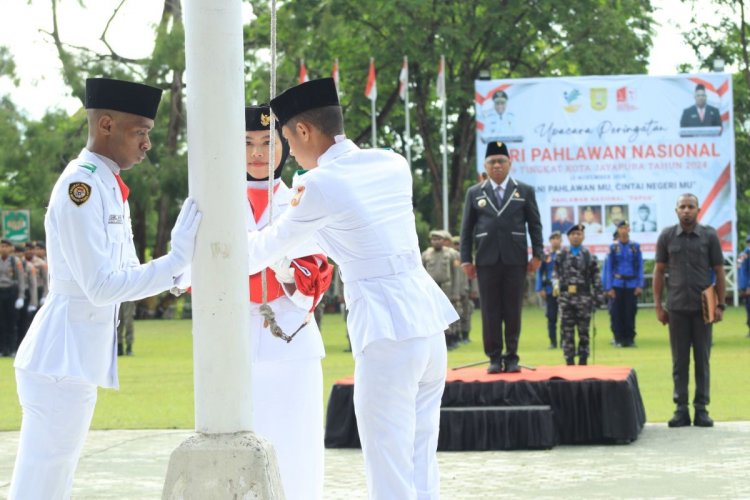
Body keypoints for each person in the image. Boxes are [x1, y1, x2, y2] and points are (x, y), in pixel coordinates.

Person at [246, 78, 456, 500]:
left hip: (386, 330)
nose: (289, 150)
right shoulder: (391, 163)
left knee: (389, 467)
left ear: (303, 131)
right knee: (419, 460)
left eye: (285, 137)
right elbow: (343, 234)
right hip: (428, 327)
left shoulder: (319, 185)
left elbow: (262, 250)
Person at [9, 77, 201, 499]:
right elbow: (100, 286)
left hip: (73, 357)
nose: (148, 144)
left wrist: (178, 276)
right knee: (44, 479)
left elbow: (127, 272)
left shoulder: (108, 184)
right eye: (141, 133)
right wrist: (173, 262)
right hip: (61, 356)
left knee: (52, 476)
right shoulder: (82, 187)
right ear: (107, 125)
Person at [243, 104, 331, 500]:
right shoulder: (211, 201)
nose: (257, 153)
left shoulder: (303, 195)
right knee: (239, 449)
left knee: (299, 449)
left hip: (292, 341)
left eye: (267, 142)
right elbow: (197, 274)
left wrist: (268, 273)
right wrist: (275, 268)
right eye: (246, 143)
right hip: (233, 345)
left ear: (283, 145)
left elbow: (316, 274)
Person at [460, 140, 543, 374]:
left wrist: (538, 254)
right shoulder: (475, 193)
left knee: (513, 309)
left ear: (510, 164)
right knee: (490, 310)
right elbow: (466, 229)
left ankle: (512, 356)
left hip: (515, 260)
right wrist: (466, 259)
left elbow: (535, 225)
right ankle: (494, 358)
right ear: (485, 165)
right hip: (486, 261)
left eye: (501, 161)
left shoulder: (524, 190)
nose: (497, 165)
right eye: (492, 162)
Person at [653, 193, 725, 428]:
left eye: (690, 206)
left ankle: (702, 409)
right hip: (676, 308)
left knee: (702, 360)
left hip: (704, 309)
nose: (686, 210)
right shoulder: (666, 236)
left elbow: (719, 271)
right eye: (682, 206)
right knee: (679, 361)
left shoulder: (709, 236)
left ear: (698, 210)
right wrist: (658, 305)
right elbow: (658, 271)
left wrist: (721, 304)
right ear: (676, 211)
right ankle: (680, 409)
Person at [554, 224, 603, 365]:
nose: (576, 236)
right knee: (566, 331)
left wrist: (599, 297)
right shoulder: (561, 256)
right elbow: (555, 274)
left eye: (579, 234)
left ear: (583, 237)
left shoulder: (589, 256)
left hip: (583, 298)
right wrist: (555, 287)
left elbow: (596, 278)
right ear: (568, 237)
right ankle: (569, 360)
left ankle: (583, 360)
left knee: (583, 332)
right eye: (573, 234)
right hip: (566, 298)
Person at [604, 221, 644, 347]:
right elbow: (609, 268)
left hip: (631, 284)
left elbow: (639, 267)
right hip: (617, 284)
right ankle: (618, 338)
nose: (623, 230)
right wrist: (609, 287)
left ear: (629, 229)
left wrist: (639, 284)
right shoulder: (613, 247)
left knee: (630, 312)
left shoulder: (635, 247)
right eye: (621, 228)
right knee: (616, 313)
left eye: (625, 227)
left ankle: (630, 339)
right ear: (618, 230)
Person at [422, 229, 460, 350]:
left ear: (443, 241)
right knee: (431, 314)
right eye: (434, 239)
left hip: (446, 287)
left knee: (447, 314)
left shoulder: (452, 254)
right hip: (431, 288)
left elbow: (457, 274)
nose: (436, 241)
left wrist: (456, 292)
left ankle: (450, 339)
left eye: (439, 239)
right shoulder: (426, 254)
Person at [536, 231, 562, 349]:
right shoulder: (546, 255)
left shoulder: (564, 254)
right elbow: (540, 272)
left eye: (558, 238)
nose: (556, 241)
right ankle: (553, 342)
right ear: (550, 241)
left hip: (563, 290)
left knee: (565, 318)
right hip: (550, 289)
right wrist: (539, 288)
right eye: (553, 239)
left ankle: (564, 342)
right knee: (551, 317)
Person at [0, 239, 25, 357]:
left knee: (12, 322)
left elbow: (21, 280)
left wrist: (21, 296)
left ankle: (12, 349)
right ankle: (2, 349)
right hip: (0, 291)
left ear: (11, 248)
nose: (3, 248)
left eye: (6, 246)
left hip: (11, 291)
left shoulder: (16, 261)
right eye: (1, 246)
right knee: (1, 322)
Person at [451, 235, 477, 344]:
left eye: (459, 244)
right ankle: (456, 335)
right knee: (455, 313)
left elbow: (474, 276)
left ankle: (465, 335)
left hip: (466, 288)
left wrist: (474, 290)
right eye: (455, 244)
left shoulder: (469, 257)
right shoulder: (451, 257)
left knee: (466, 313)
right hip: (453, 290)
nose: (457, 246)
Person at [15, 244, 38, 348]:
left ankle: (24, 346)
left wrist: (33, 302)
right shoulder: (13, 263)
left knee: (26, 322)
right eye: (16, 252)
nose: (17, 255)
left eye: (20, 252)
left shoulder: (29, 265)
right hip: (14, 293)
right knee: (15, 321)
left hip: (27, 294)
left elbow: (33, 285)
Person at [738, 235, 750, 338]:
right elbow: (742, 271)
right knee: (748, 308)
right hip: (745, 286)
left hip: (746, 286)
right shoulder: (745, 254)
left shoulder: (744, 254)